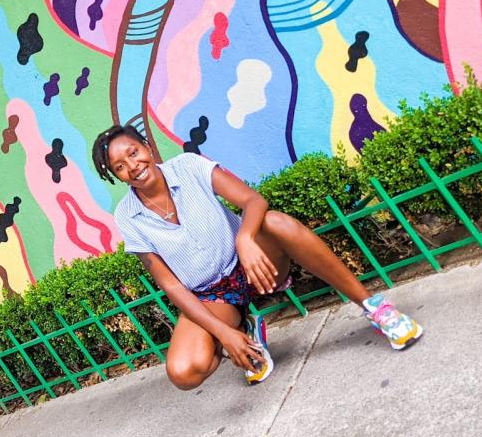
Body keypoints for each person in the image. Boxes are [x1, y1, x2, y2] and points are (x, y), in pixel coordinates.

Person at [92, 124, 423, 389]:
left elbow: (252, 201)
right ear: (115, 175)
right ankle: (245, 330)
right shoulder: (128, 217)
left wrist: (245, 238)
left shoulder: (189, 167)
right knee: (185, 371)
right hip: (214, 295)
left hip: (254, 265)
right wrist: (225, 335)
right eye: (120, 166)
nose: (133, 167)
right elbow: (173, 287)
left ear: (147, 148)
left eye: (133, 153)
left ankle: (374, 308)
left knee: (276, 222)